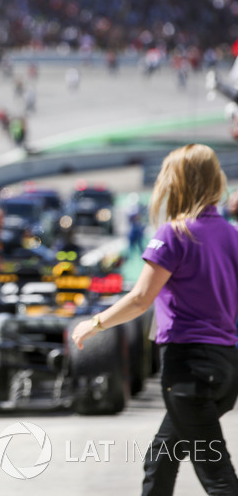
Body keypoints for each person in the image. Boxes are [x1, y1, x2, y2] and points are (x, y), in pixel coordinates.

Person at [72, 144, 238, 496]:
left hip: (189, 370)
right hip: (226, 368)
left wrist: (95, 323)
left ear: (175, 182)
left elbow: (140, 299)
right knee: (160, 459)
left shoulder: (175, 234)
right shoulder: (231, 235)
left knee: (218, 479)